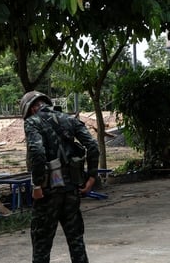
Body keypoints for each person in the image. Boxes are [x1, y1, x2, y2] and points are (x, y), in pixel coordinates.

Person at [20, 90, 101, 263]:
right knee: (76, 241)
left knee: (41, 245)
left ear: (32, 109)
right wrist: (92, 178)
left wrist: (37, 185)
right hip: (72, 189)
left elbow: (37, 152)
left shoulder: (32, 122)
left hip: (48, 193)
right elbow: (93, 146)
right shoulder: (70, 119)